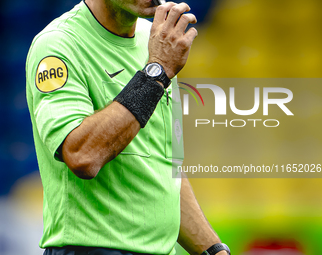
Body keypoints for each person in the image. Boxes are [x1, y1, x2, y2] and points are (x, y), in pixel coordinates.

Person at [26, 0, 230, 255]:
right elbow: (82, 156)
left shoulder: (158, 42)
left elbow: (162, 168)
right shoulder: (58, 45)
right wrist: (157, 72)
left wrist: (214, 250)